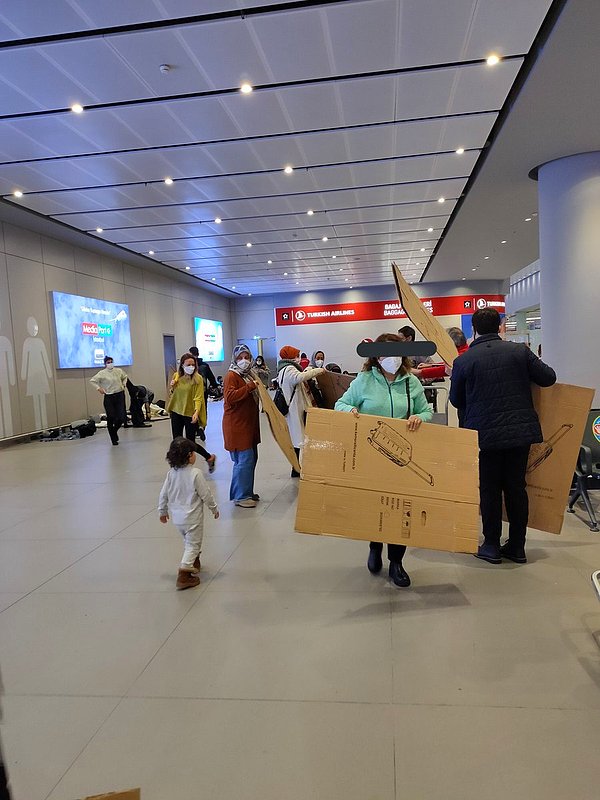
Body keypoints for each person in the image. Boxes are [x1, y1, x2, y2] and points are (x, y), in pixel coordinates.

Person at [449, 308, 556, 565]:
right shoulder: (519, 352)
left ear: (473, 329)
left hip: (484, 435)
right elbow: (549, 378)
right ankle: (518, 546)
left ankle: (491, 546)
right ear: (499, 327)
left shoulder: (463, 361)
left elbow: (455, 400)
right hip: (520, 433)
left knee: (489, 490)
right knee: (517, 487)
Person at [335, 333, 433, 587]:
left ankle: (397, 562)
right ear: (376, 357)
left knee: (402, 509)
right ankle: (374, 545)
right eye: (386, 354)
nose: (392, 359)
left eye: (397, 353)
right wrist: (351, 410)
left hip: (402, 457)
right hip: (373, 458)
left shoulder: (412, 383)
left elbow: (427, 410)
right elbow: (340, 404)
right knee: (377, 506)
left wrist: (420, 418)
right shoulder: (364, 381)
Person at [159, 437, 219, 590]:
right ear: (189, 455)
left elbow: (163, 494)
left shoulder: (171, 473)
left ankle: (194, 561)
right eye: (193, 453)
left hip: (178, 518)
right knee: (193, 544)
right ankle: (184, 574)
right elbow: (205, 494)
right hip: (193, 518)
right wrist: (214, 508)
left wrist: (162, 511)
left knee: (189, 541)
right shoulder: (196, 473)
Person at [277, 346, 325, 477]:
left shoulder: (284, 369)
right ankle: (297, 468)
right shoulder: (288, 369)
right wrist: (317, 371)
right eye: (296, 355)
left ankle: (297, 467)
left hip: (294, 407)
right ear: (290, 356)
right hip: (294, 408)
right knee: (298, 439)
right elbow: (299, 377)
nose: (298, 358)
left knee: (297, 438)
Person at [222, 345, 261, 508]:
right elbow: (230, 397)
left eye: (247, 357)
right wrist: (250, 387)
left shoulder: (247, 375)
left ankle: (247, 491)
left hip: (248, 425)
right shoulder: (232, 375)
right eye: (240, 358)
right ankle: (240, 496)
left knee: (251, 459)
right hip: (237, 426)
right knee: (244, 460)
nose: (244, 361)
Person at [167, 354, 217, 473]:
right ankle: (180, 466)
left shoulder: (198, 378)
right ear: (182, 365)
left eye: (193, 365)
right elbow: (173, 393)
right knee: (177, 441)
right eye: (188, 364)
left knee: (190, 443)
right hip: (176, 410)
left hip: (190, 413)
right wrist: (172, 386)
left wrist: (196, 412)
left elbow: (198, 397)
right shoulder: (177, 376)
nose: (191, 367)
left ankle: (209, 457)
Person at [90, 356, 128, 445]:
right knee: (111, 417)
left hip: (119, 395)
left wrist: (124, 384)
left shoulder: (118, 371)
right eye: (108, 362)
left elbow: (125, 377)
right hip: (109, 396)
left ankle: (114, 431)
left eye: (111, 362)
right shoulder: (102, 373)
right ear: (105, 364)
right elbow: (92, 381)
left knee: (121, 417)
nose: (110, 363)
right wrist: (98, 388)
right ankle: (113, 438)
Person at [189, 345, 218, 439]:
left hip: (191, 392)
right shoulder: (205, 365)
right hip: (203, 391)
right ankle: (201, 427)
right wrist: (214, 386)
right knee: (203, 409)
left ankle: (194, 429)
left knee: (193, 410)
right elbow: (211, 377)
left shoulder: (190, 366)